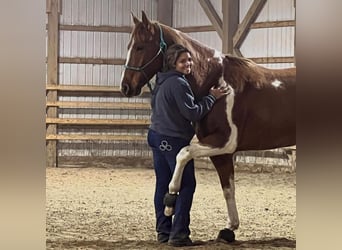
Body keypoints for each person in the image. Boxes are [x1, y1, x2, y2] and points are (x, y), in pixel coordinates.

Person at [147, 44, 230, 247]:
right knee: (186, 185)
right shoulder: (178, 83)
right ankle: (179, 234)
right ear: (173, 63)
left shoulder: (161, 81)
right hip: (172, 139)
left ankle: (163, 231)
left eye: (189, 60)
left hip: (156, 135)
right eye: (183, 61)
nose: (188, 64)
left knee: (163, 183)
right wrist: (212, 98)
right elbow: (192, 113)